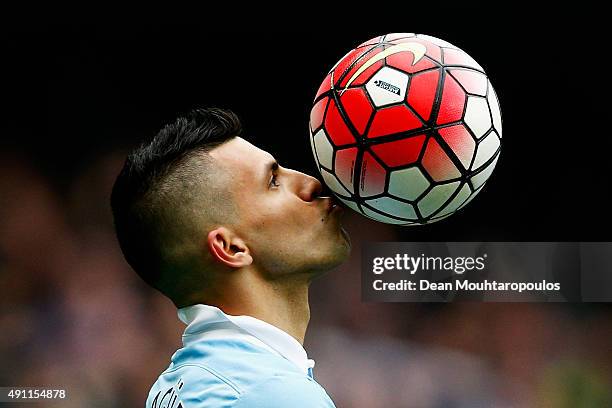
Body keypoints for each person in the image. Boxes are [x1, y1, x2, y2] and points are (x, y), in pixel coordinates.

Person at [110, 108, 350, 407]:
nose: (310, 183)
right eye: (274, 181)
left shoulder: (170, 389)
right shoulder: (276, 394)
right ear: (231, 247)